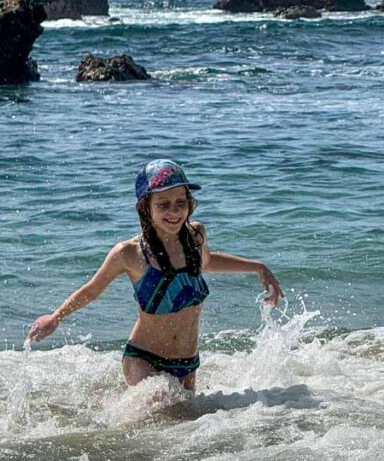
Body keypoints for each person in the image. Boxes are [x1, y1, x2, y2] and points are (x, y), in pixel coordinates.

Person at [28, 159, 282, 391]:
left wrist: (258, 266)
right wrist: (56, 317)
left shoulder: (195, 236)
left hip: (187, 362)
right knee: (162, 407)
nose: (174, 212)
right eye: (163, 205)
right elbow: (93, 290)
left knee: (186, 428)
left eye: (180, 203)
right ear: (146, 208)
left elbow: (209, 261)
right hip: (143, 358)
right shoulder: (129, 253)